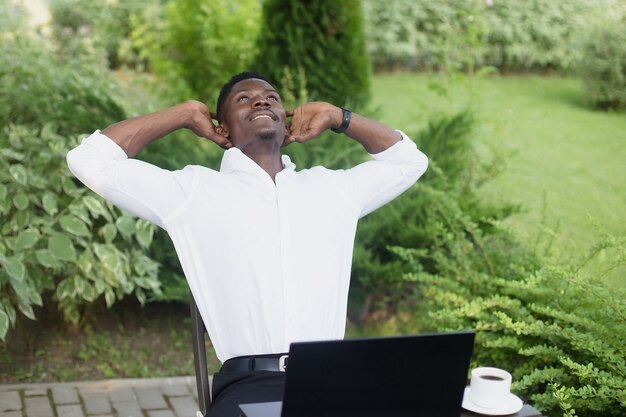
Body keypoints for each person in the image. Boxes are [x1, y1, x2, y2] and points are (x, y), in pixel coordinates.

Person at [66, 71, 428, 416]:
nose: (261, 103)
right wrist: (185, 114)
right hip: (249, 385)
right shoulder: (193, 193)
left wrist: (339, 117)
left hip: (328, 381)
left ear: (287, 124)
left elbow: (409, 161)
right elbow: (89, 160)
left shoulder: (333, 189)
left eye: (271, 98)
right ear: (221, 128)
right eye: (245, 99)